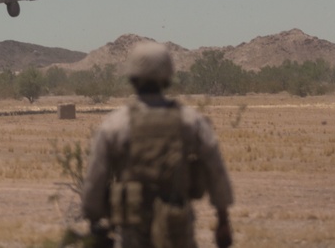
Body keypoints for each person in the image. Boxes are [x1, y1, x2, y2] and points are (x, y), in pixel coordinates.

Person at [80, 41, 234, 248]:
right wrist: (223, 219)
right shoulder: (189, 121)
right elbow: (215, 169)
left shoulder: (116, 123)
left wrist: (93, 220)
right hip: (177, 228)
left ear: (133, 77)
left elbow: (95, 178)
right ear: (168, 76)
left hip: (131, 230)